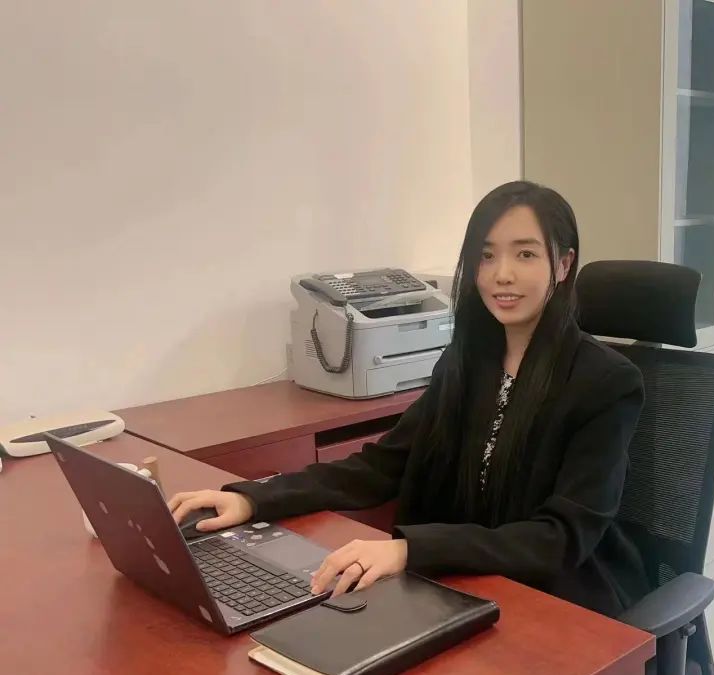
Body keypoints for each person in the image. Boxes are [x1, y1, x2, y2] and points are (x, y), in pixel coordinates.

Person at [167, 180, 650, 618]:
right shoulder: (467, 362)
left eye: (525, 254)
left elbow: (559, 540)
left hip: (557, 602)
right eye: (486, 256)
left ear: (563, 265)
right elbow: (382, 466)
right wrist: (253, 498)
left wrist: (409, 550)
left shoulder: (605, 382)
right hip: (461, 584)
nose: (501, 274)